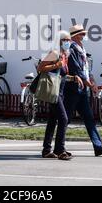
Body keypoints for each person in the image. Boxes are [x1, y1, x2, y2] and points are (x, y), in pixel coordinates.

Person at [64, 25, 102, 157]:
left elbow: (86, 68)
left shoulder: (81, 48)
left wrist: (92, 81)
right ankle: (59, 147)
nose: (84, 36)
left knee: (89, 118)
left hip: (82, 89)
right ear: (75, 35)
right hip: (73, 89)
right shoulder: (72, 48)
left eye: (84, 34)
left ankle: (98, 146)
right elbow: (76, 70)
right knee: (66, 118)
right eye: (81, 34)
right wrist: (91, 85)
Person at [39, 31, 73, 160]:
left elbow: (62, 75)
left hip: (60, 92)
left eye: (69, 40)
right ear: (60, 40)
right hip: (53, 92)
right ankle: (60, 149)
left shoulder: (65, 55)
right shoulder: (54, 53)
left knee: (53, 120)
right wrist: (55, 65)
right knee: (63, 119)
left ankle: (46, 150)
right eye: (66, 40)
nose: (68, 42)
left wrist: (74, 78)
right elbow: (40, 68)